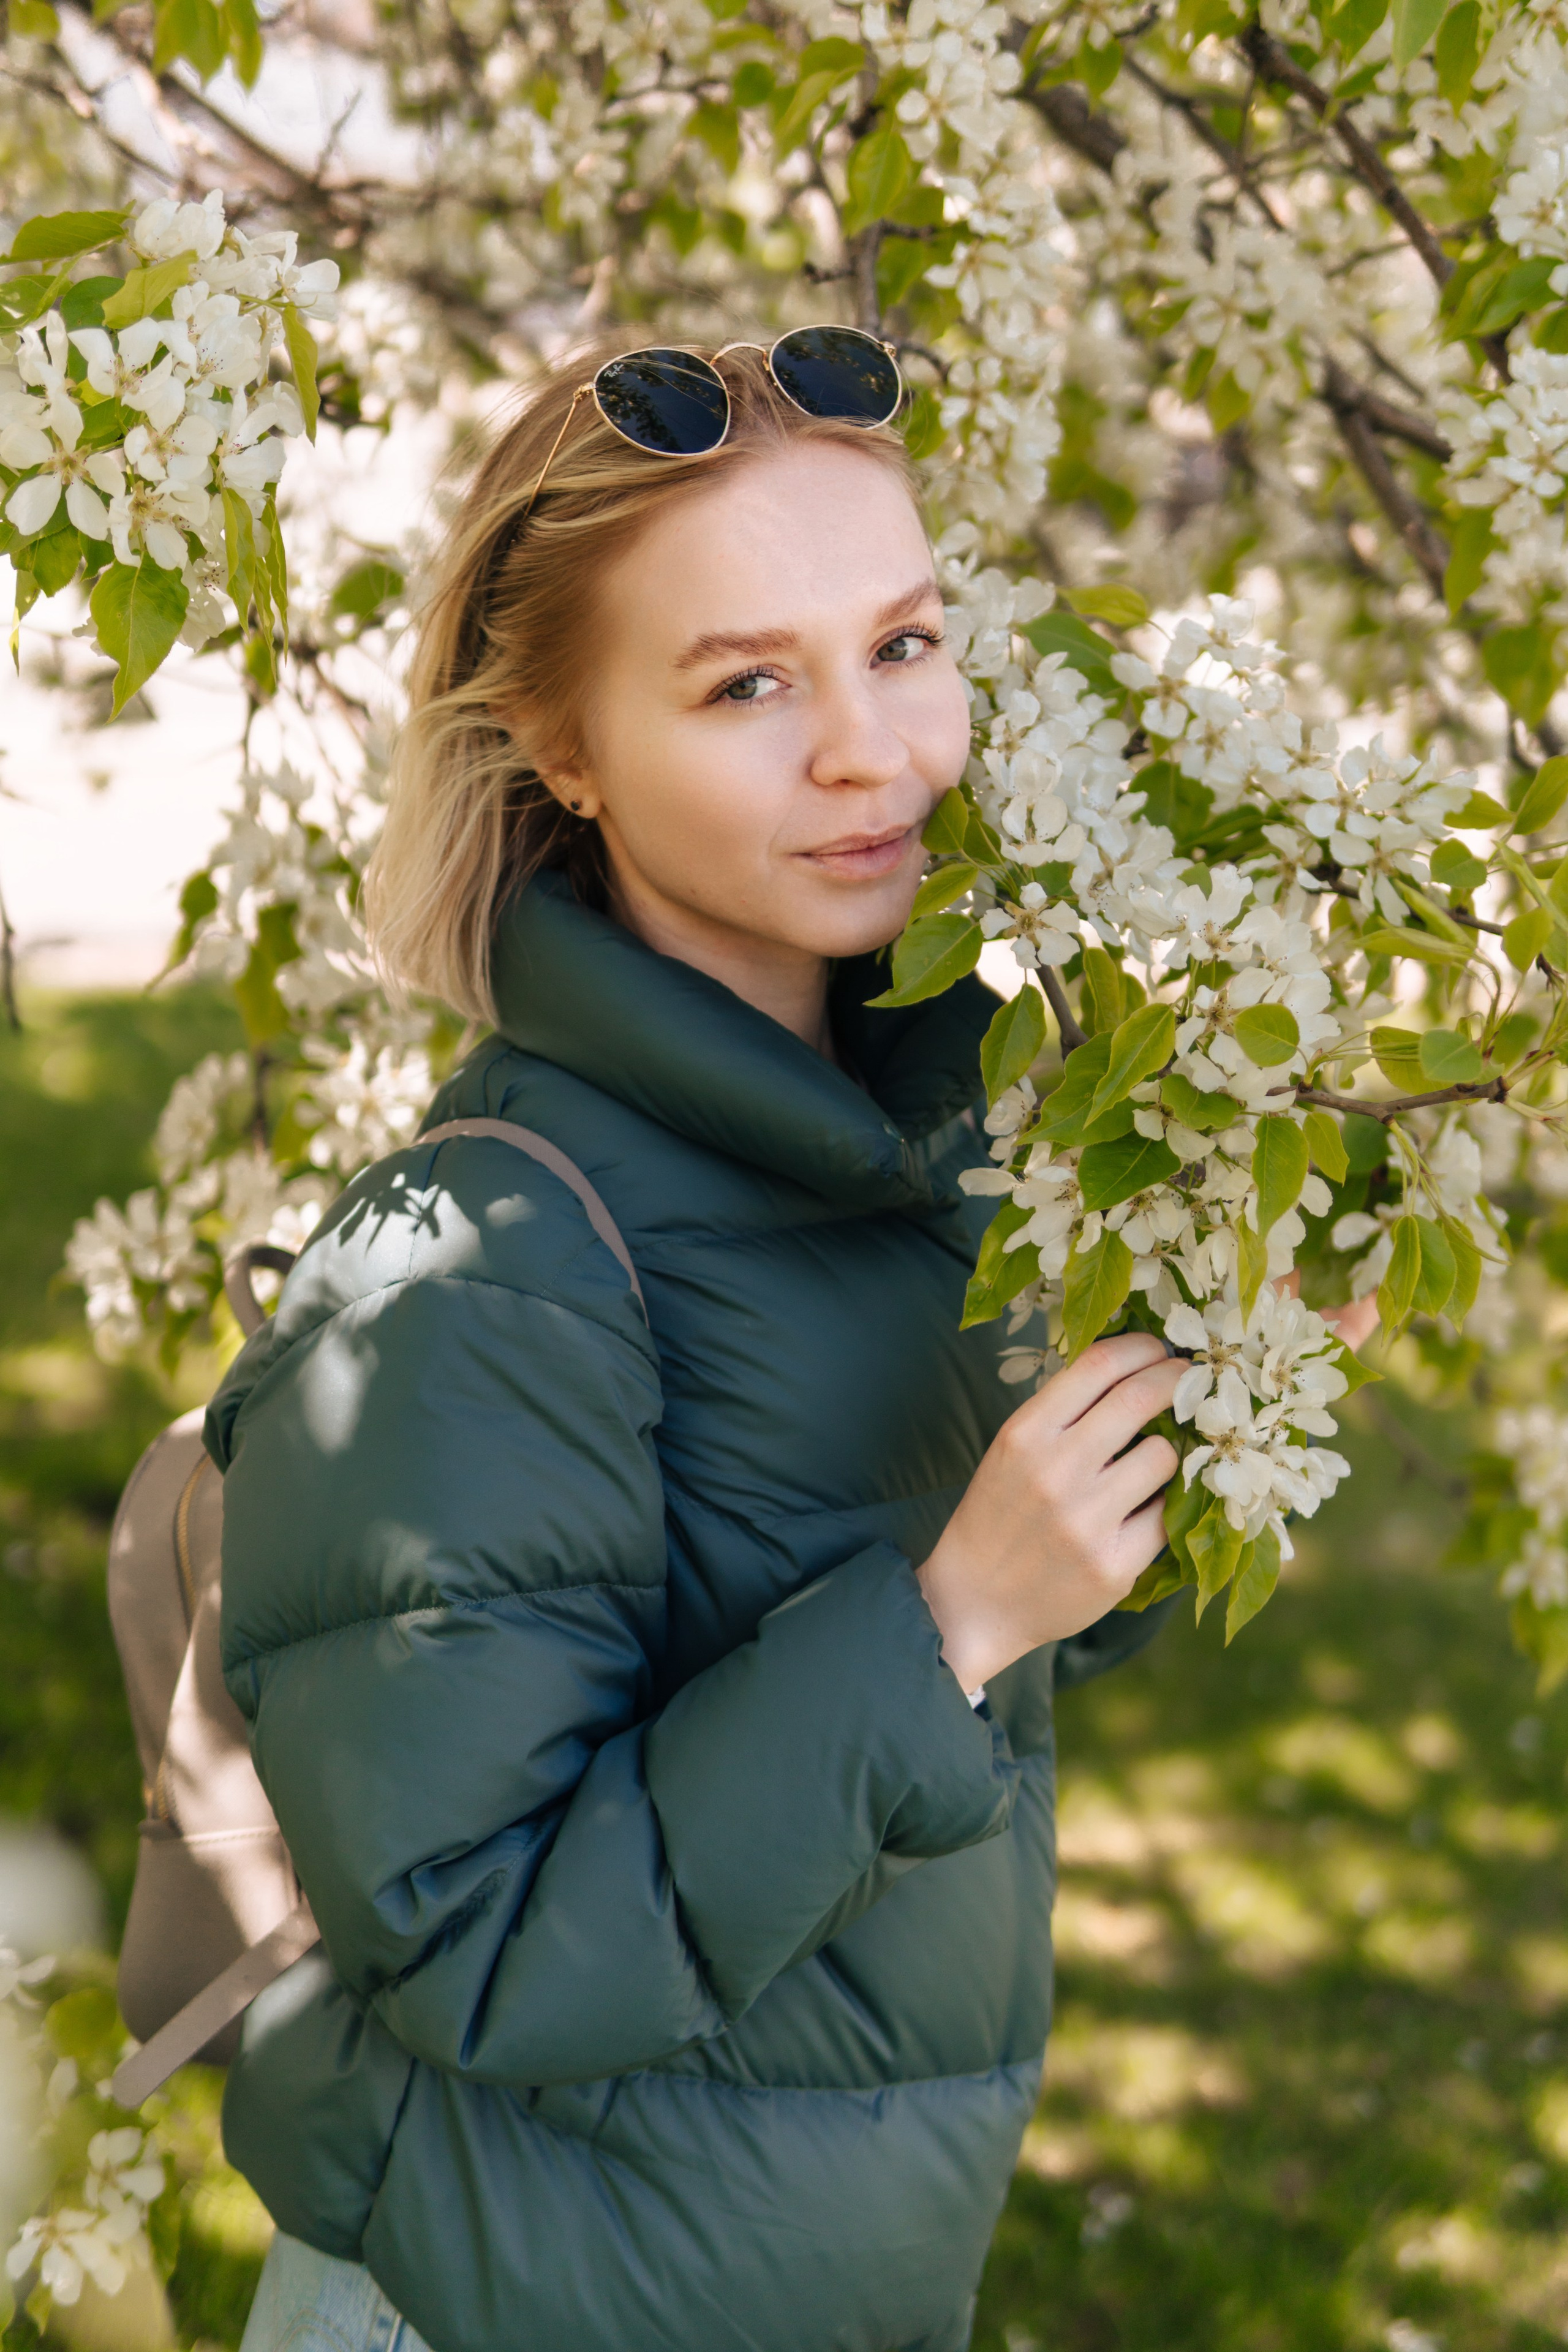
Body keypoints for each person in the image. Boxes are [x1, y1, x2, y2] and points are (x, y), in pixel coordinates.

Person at [216, 333, 1188, 2352]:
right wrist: (944, 1632)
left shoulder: (948, 1130)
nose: (869, 751)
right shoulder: (476, 1261)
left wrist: (1195, 1394)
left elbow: (1037, 1637)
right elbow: (473, 1954)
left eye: (903, 645)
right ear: (564, 746)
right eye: (748, 682)